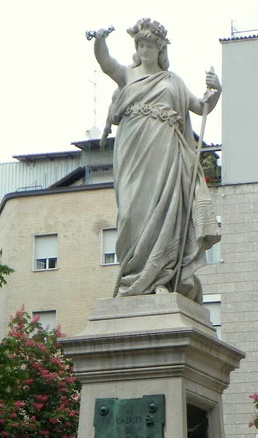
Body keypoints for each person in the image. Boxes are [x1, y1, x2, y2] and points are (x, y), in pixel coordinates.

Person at [93, 18, 221, 303]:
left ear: (160, 48)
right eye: (140, 44)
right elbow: (106, 63)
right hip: (133, 151)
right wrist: (100, 39)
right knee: (130, 214)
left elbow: (200, 107)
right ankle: (133, 278)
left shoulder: (173, 81)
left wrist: (216, 90)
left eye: (150, 44)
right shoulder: (128, 75)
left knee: (163, 212)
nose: (145, 49)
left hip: (165, 154)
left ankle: (158, 278)